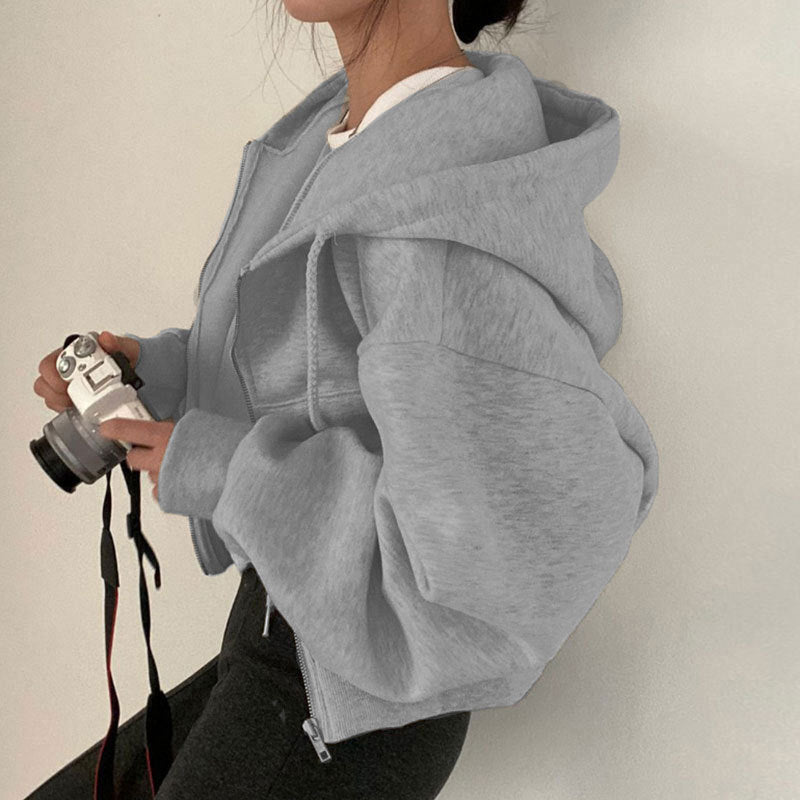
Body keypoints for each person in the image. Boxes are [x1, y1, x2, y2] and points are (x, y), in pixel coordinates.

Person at [28, 0, 660, 797]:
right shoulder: (350, 135)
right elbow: (320, 372)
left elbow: (472, 554)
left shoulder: (437, 197)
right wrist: (162, 376)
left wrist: (226, 467)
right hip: (289, 641)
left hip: (355, 700)